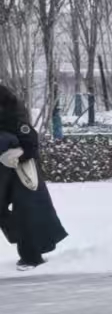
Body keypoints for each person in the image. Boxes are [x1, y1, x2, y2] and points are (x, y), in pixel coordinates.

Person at [0, 84, 67, 269]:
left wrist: (17, 154)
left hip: (19, 168)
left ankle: (31, 255)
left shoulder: (12, 111)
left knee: (27, 210)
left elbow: (30, 143)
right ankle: (23, 237)